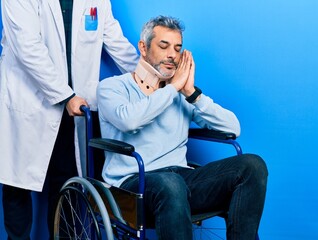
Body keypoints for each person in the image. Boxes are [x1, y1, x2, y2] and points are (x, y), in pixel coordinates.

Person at [97, 15, 267, 240]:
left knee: (252, 165)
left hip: (180, 179)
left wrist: (191, 94)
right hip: (132, 185)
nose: (172, 55)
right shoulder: (112, 87)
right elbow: (129, 120)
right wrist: (173, 88)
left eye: (177, 48)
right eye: (164, 46)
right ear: (143, 47)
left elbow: (233, 128)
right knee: (170, 183)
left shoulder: (181, 94)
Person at [0, 0, 139, 239]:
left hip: (73, 110)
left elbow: (117, 43)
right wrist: (66, 95)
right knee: (17, 186)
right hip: (28, 103)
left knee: (65, 185)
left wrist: (153, 79)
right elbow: (27, 47)